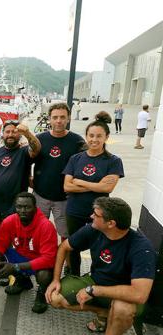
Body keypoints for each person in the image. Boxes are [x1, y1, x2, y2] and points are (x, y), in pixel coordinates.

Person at [45, 197, 156, 335]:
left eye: (95, 215)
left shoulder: (141, 248)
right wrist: (56, 280)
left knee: (122, 309)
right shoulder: (93, 230)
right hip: (97, 282)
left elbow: (140, 294)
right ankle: (103, 313)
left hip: (125, 295)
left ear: (111, 223)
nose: (90, 216)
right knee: (56, 298)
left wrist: (94, 290)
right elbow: (64, 247)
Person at [63, 111, 124, 276]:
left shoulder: (113, 161)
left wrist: (80, 182)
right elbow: (67, 187)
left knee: (100, 246)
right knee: (74, 246)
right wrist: (97, 185)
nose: (94, 140)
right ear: (86, 136)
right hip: (74, 210)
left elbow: (107, 189)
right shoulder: (75, 158)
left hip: (100, 213)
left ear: (106, 137)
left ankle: (96, 278)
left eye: (99, 136)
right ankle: (74, 275)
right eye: (91, 135)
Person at [0, 192, 58, 313]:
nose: (23, 210)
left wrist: (15, 267)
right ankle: (23, 281)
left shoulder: (46, 226)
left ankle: (42, 293)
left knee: (44, 275)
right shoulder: (9, 221)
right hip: (21, 257)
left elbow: (48, 259)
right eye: (19, 207)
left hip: (38, 262)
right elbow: (0, 242)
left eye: (27, 207)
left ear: (35, 207)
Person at [32, 102, 86, 243]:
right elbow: (24, 161)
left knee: (65, 234)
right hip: (40, 196)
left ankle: (66, 264)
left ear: (68, 118)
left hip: (64, 199)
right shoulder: (39, 139)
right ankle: (40, 261)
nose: (59, 121)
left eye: (62, 117)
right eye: (55, 117)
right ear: (49, 119)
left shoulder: (77, 141)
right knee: (38, 231)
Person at [0, 120, 41, 221]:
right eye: (7, 132)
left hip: (18, 208)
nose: (10, 134)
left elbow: (36, 149)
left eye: (14, 132)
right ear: (2, 134)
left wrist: (27, 133)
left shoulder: (24, 152)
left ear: (19, 135)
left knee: (14, 236)